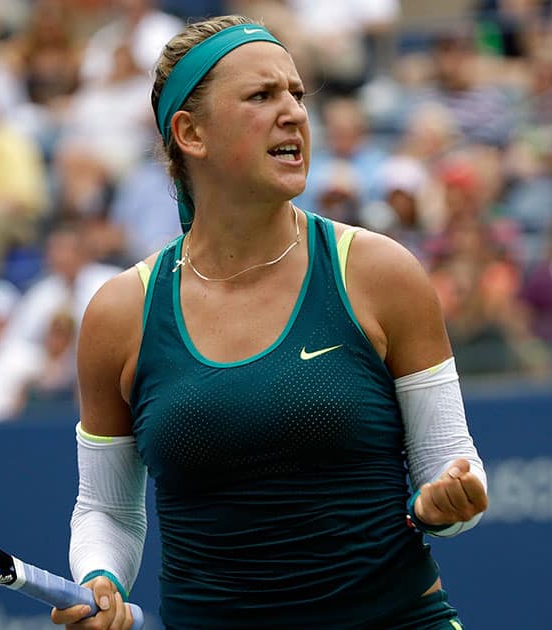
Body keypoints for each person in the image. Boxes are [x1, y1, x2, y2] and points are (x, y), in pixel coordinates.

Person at [51, 16, 488, 630]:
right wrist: (100, 579)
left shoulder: (380, 272)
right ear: (190, 133)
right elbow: (106, 509)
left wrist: (446, 501)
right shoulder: (120, 314)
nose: (294, 113)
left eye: (297, 94)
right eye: (262, 96)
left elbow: (452, 465)